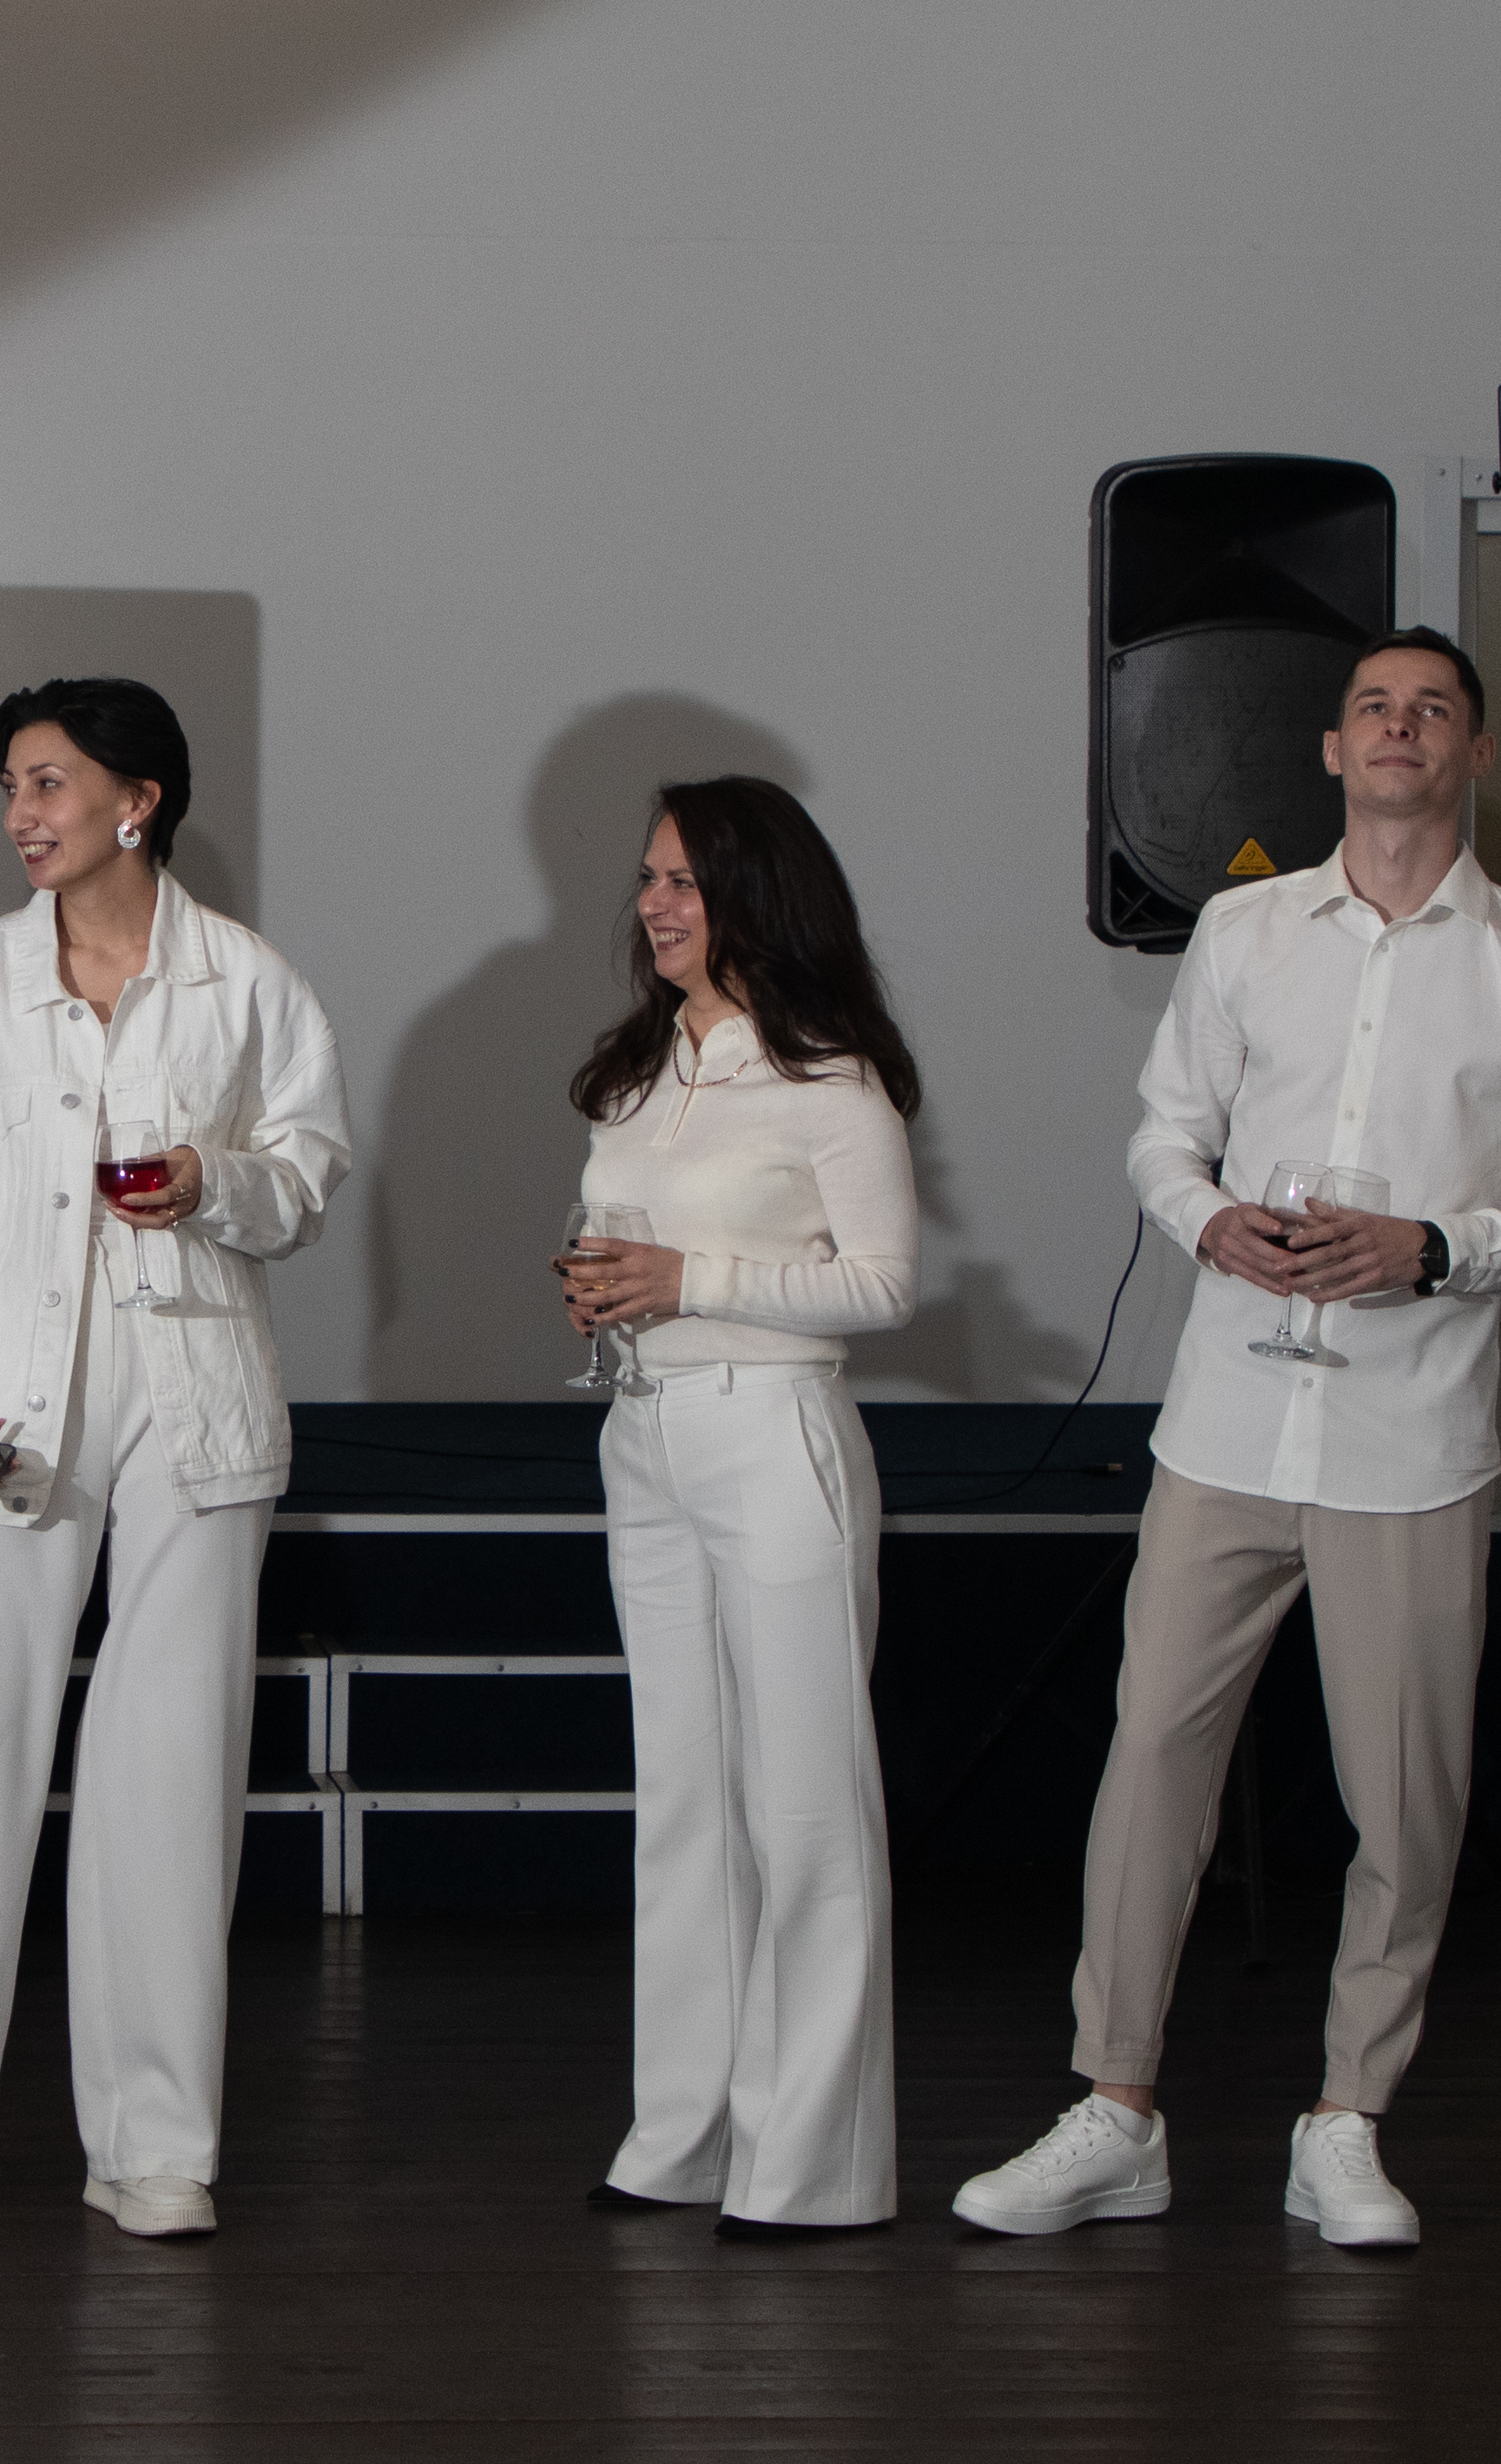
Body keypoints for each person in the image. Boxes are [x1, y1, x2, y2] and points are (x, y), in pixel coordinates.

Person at [956, 628, 1501, 2247]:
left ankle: (1345, 2118)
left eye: (1431, 709)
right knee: (1148, 1764)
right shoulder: (1242, 928)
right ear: (1331, 748)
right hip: (1229, 1419)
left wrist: (1435, 1246)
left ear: (1473, 751)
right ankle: (1114, 2104)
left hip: (1410, 1439)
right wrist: (1209, 1222)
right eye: (1372, 707)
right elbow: (1162, 1134)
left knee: (1406, 1803)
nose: (1399, 728)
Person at [0, 676, 349, 2247]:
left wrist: (210, 1181)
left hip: (195, 1399)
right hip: (8, 1414)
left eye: (47, 782)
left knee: (171, 1772)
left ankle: (155, 2140)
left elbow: (305, 1179)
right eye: (11, 786)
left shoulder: (249, 984)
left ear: (137, 799)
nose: (19, 814)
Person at [561, 774, 919, 2236]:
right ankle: (684, 2129)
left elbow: (884, 1284)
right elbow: (624, 1240)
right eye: (649, 876)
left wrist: (687, 1278)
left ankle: (812, 2164)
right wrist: (606, 1286)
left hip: (772, 1429)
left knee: (802, 1803)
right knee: (684, 1798)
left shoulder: (832, 1081)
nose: (653, 903)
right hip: (643, 1433)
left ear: (755, 895)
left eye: (683, 881)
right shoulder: (641, 1070)